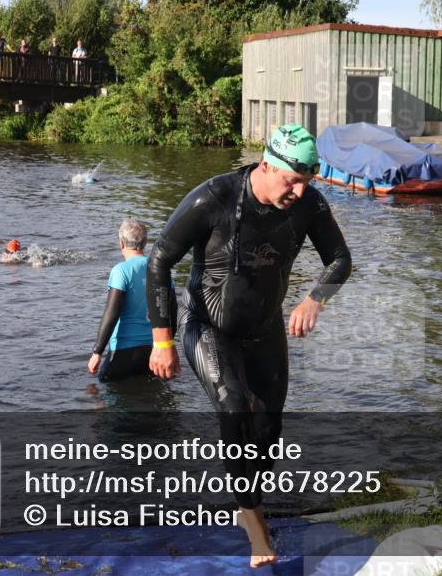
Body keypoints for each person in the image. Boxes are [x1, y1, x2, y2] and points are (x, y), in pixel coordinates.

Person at [146, 123, 351, 568]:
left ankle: (247, 499)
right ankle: (254, 520)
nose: (298, 191)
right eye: (291, 180)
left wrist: (315, 299)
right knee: (233, 405)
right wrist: (161, 339)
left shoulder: (308, 205)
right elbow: (160, 260)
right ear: (265, 165)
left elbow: (340, 258)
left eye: (306, 182)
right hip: (207, 325)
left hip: (265, 328)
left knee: (267, 431)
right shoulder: (213, 198)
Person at [87, 219, 155, 382]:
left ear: (121, 243)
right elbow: (171, 310)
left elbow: (111, 313)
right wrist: (167, 347)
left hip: (123, 352)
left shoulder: (121, 271)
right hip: (153, 352)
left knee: (98, 394)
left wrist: (97, 352)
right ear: (145, 242)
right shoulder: (159, 268)